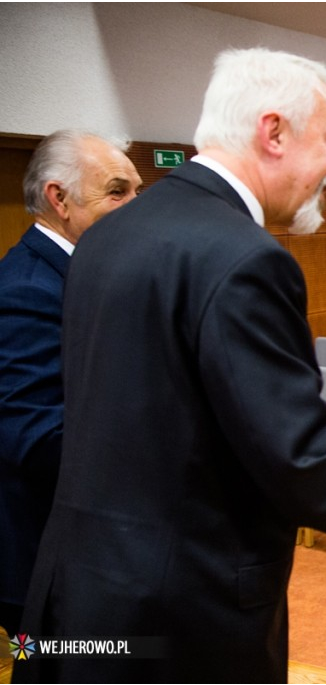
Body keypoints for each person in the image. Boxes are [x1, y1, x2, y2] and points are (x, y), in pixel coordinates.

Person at [16, 48, 326, 683]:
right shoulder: (245, 258)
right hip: (183, 616)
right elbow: (307, 467)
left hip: (81, 595)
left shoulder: (109, 234)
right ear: (273, 132)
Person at [0, 130, 142, 636]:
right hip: (49, 565)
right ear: (59, 199)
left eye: (136, 192)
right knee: (42, 667)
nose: (134, 206)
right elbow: (36, 438)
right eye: (117, 191)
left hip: (93, 555)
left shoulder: (84, 273)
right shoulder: (27, 290)